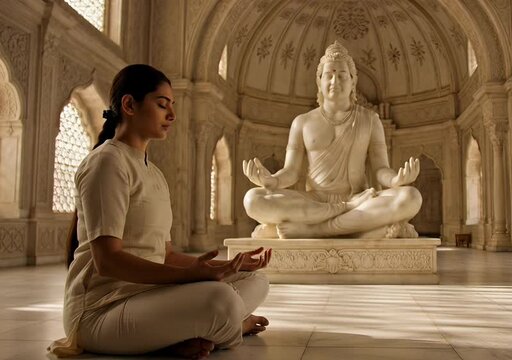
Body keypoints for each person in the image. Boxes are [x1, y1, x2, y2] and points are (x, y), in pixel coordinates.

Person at [49, 64, 272, 359]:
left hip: (146, 297)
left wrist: (227, 267)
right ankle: (230, 326)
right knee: (221, 301)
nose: (172, 115)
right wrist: (192, 277)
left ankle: (183, 335)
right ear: (129, 104)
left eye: (173, 106)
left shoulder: (153, 173)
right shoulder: (107, 162)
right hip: (103, 310)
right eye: (162, 104)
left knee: (256, 281)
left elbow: (165, 255)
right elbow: (107, 262)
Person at [243, 42, 422, 239]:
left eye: (342, 75)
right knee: (253, 199)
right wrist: (273, 180)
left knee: (411, 197)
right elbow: (292, 172)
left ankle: (315, 230)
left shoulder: (370, 119)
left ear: (353, 81)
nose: (335, 81)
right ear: (319, 81)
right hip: (315, 201)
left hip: (359, 198)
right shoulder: (302, 122)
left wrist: (395, 180)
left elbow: (380, 168)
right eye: (329, 75)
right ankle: (354, 224)